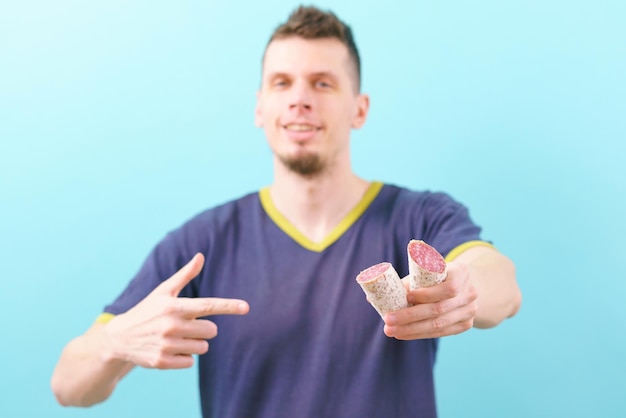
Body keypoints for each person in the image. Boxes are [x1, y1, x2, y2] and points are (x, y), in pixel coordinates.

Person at [51, 5, 522, 418]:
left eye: (323, 83)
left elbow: (500, 284)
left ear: (359, 109)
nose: (300, 98)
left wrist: (467, 287)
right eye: (282, 83)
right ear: (260, 107)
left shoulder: (418, 217)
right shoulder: (202, 243)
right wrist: (114, 344)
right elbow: (68, 385)